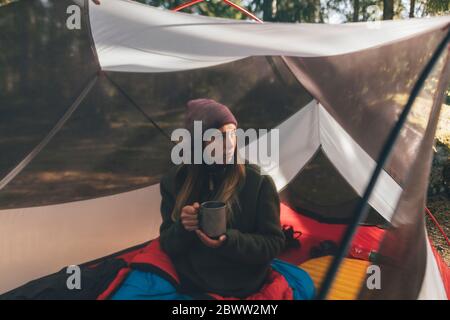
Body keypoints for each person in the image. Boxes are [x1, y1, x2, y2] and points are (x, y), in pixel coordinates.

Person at [158, 98, 286, 298]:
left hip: (241, 281)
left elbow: (274, 243)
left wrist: (229, 241)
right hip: (192, 281)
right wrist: (183, 227)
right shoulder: (175, 182)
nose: (229, 144)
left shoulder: (257, 183)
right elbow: (167, 244)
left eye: (233, 134)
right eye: (217, 137)